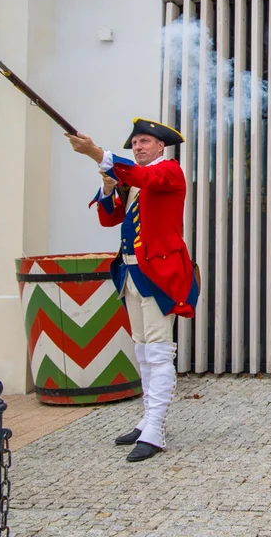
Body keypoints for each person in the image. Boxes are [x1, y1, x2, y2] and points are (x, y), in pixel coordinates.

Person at [67, 118, 198, 463]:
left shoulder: (168, 170)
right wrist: (109, 187)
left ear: (160, 146)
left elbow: (145, 178)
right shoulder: (135, 179)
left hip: (158, 273)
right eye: (135, 143)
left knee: (157, 351)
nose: (137, 147)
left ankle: (155, 428)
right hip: (131, 272)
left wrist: (97, 153)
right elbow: (111, 218)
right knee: (142, 350)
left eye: (143, 142)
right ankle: (146, 421)